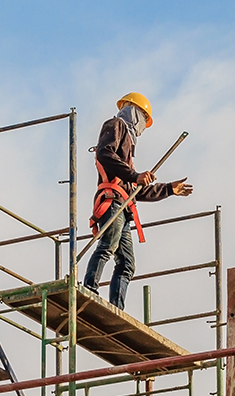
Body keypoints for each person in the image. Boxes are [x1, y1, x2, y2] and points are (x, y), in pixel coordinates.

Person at [83, 92, 194, 310]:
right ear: (134, 112)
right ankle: (89, 287)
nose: (143, 126)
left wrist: (168, 189)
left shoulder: (127, 154)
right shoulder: (115, 125)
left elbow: (136, 192)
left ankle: (116, 307)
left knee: (127, 264)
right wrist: (134, 175)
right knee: (108, 246)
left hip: (124, 207)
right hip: (112, 201)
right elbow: (105, 154)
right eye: (143, 118)